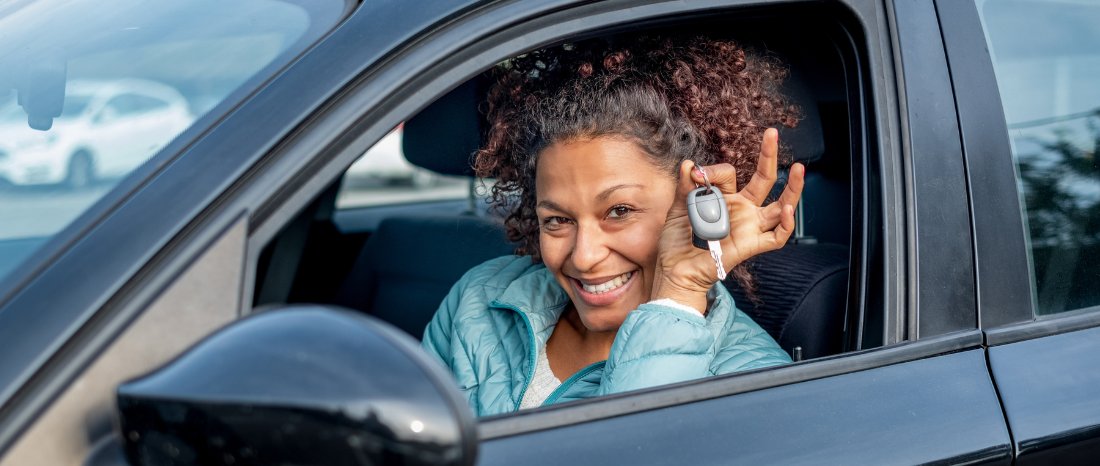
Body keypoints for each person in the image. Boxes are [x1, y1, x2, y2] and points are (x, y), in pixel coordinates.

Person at [421, 34, 804, 417]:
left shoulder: (756, 386)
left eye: (619, 211)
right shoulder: (479, 299)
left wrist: (678, 294)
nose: (584, 257)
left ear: (693, 207)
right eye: (557, 220)